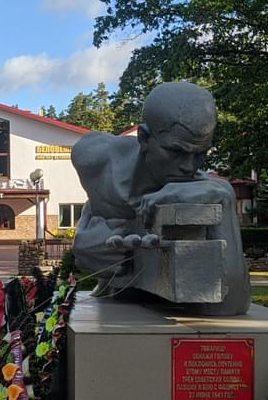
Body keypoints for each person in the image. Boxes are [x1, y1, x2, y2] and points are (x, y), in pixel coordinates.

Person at [70, 81, 249, 315]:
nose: (188, 167)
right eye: (176, 151)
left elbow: (232, 305)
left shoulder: (200, 188)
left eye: (200, 154)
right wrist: (81, 240)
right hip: (113, 300)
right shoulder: (95, 159)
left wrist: (226, 197)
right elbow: (95, 202)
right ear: (144, 138)